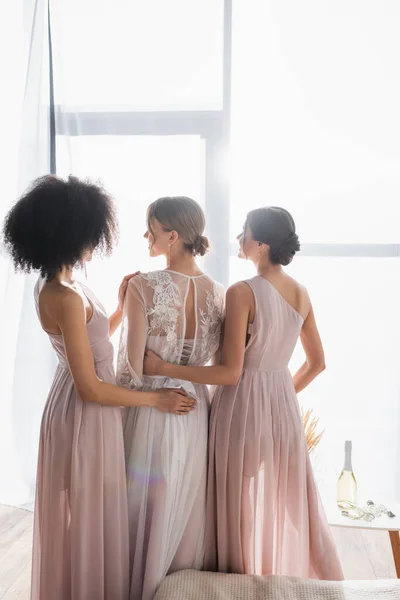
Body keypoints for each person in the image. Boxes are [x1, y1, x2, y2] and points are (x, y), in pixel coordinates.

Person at [2, 175, 194, 600]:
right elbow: (90, 386)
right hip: (86, 408)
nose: (95, 244)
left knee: (94, 512)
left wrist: (121, 309)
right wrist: (156, 399)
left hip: (82, 400)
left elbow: (90, 347)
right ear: (72, 235)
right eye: (91, 235)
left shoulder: (65, 284)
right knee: (90, 514)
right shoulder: (63, 295)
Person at [144, 206, 344, 580]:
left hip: (241, 408)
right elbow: (316, 362)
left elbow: (230, 373)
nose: (239, 238)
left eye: (245, 232)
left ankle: (237, 583)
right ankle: (331, 583)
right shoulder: (300, 293)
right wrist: (279, 394)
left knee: (237, 506)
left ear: (262, 245)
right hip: (281, 408)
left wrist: (163, 368)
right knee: (295, 502)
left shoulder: (243, 292)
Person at [117, 196, 225, 600]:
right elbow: (220, 370)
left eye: (151, 228)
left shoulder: (144, 286)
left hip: (152, 409)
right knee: (184, 506)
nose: (146, 235)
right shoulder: (220, 293)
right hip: (197, 411)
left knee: (143, 508)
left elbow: (131, 368)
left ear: (173, 236)